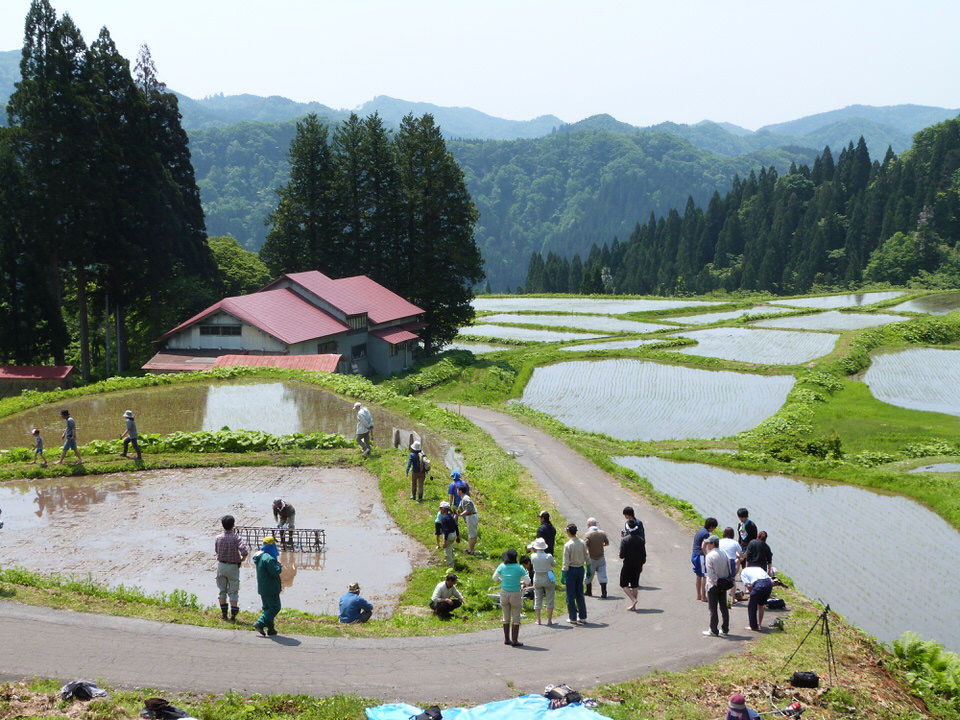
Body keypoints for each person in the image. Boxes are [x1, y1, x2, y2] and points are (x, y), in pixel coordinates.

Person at [214, 514, 249, 621]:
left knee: (222, 590)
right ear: (233, 525)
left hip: (221, 566)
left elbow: (216, 551)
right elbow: (244, 551)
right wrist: (241, 559)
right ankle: (233, 615)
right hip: (233, 567)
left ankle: (224, 614)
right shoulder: (237, 538)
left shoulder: (218, 538)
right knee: (233, 591)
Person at [492, 548, 528, 646]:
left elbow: (494, 577)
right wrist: (521, 583)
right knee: (516, 617)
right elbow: (528, 581)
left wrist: (502, 581)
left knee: (505, 617)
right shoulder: (519, 568)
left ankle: (507, 639)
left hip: (504, 593)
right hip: (515, 593)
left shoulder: (502, 566)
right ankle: (515, 640)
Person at [253, 536, 282, 636]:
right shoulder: (269, 558)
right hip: (271, 587)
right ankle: (260, 623)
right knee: (275, 607)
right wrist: (279, 566)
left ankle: (271, 629)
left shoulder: (260, 556)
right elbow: (275, 571)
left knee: (267, 608)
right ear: (272, 545)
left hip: (263, 587)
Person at [703, 535, 732, 637]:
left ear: (713, 544)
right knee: (724, 607)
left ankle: (713, 629)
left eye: (709, 543)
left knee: (713, 608)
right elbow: (729, 569)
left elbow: (710, 573)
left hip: (713, 585)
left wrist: (715, 582)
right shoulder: (724, 554)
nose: (707, 545)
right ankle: (725, 629)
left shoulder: (710, 556)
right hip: (723, 584)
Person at [561, 523, 588, 625]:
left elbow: (565, 561)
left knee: (570, 595)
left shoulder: (568, 545)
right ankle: (583, 616)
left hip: (571, 570)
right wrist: (588, 567)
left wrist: (564, 573)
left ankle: (572, 617)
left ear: (568, 532)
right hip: (580, 569)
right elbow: (587, 556)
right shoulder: (582, 543)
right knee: (580, 593)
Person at [619, 518, 646, 611]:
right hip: (638, 564)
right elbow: (644, 554)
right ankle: (633, 606)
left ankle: (633, 600)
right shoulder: (640, 540)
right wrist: (642, 564)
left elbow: (621, 555)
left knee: (623, 584)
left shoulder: (625, 540)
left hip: (628, 564)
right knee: (635, 584)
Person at [529, 537, 556, 625]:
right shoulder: (548, 556)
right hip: (548, 577)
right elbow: (554, 564)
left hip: (537, 577)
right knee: (550, 598)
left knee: (537, 598)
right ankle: (549, 620)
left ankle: (539, 620)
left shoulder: (533, 556)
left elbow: (532, 563)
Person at [740, 564, 774, 632]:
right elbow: (772, 581)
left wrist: (753, 594)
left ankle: (753, 626)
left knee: (752, 606)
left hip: (758, 584)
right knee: (761, 605)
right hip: (768, 584)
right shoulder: (759, 568)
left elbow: (749, 586)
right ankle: (760, 624)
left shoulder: (743, 572)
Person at [692, 517, 718, 602]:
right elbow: (703, 546)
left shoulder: (700, 531)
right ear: (711, 526)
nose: (713, 530)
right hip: (701, 556)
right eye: (714, 527)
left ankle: (698, 595)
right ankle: (703, 596)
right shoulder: (706, 534)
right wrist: (706, 555)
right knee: (705, 576)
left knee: (699, 575)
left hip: (695, 555)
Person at [583, 517, 610, 598]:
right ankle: (604, 592)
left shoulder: (588, 534)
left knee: (589, 575)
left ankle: (588, 591)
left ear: (589, 525)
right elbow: (607, 543)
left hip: (592, 558)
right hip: (601, 557)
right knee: (602, 574)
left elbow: (585, 546)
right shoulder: (602, 533)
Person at [718, 526, 743, 606]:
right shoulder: (735, 543)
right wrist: (738, 557)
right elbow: (740, 554)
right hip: (730, 562)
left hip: (720, 560)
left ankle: (719, 597)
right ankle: (732, 599)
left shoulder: (719, 541)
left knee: (720, 578)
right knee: (732, 580)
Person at [457, 484, 479, 554]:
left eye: (457, 490)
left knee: (472, 534)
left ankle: (471, 550)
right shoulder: (463, 498)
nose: (457, 491)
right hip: (470, 517)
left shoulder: (466, 499)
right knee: (472, 533)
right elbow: (459, 509)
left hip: (471, 516)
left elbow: (468, 510)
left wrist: (460, 515)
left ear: (460, 491)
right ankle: (471, 549)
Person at [438, 501, 460, 567]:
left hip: (448, 536)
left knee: (447, 550)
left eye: (441, 508)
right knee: (450, 548)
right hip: (454, 534)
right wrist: (458, 536)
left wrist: (444, 541)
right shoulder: (451, 517)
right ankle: (449, 562)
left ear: (444, 509)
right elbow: (456, 526)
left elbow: (446, 530)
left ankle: (450, 566)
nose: (440, 510)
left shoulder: (443, 518)